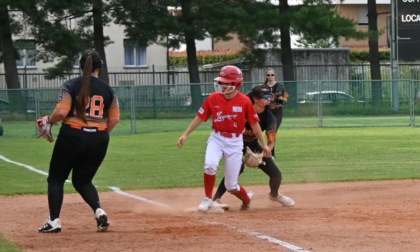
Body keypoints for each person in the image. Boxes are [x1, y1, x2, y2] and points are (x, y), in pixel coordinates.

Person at [38, 50, 120, 233]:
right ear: (99, 68)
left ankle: (54, 221)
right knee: (83, 180)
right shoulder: (108, 89)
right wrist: (97, 133)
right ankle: (100, 212)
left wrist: (49, 121)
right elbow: (114, 119)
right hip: (99, 139)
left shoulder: (71, 85)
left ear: (81, 66)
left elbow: (60, 112)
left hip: (72, 136)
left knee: (57, 178)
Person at [177, 65, 271, 212]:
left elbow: (254, 124)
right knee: (210, 164)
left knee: (231, 185)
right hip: (217, 138)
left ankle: (247, 199)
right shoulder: (213, 98)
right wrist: (186, 134)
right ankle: (208, 199)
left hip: (235, 142)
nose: (223, 85)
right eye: (222, 82)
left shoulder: (244, 101)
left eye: (227, 82)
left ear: (236, 84)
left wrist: (264, 145)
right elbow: (200, 117)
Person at [212, 85, 294, 208]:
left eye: (270, 95)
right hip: (236, 144)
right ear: (255, 99)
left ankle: (274, 195)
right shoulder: (242, 111)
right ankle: (216, 199)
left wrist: (260, 156)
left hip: (253, 145)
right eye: (266, 96)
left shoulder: (269, 117)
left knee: (276, 174)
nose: (269, 98)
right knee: (237, 170)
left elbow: (271, 142)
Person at [263, 68, 289, 159]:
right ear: (266, 76)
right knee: (268, 132)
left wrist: (280, 97)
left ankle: (271, 154)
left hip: (277, 112)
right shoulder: (263, 87)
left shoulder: (280, 86)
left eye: (272, 75)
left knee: (272, 131)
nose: (270, 77)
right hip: (267, 111)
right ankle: (269, 152)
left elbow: (286, 100)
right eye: (268, 75)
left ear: (275, 75)